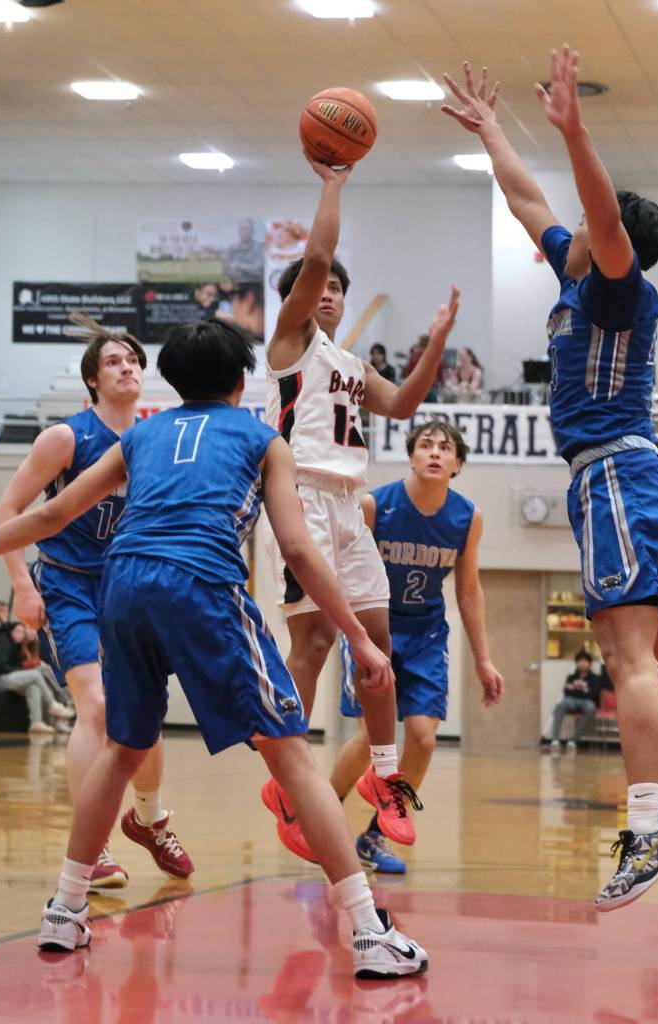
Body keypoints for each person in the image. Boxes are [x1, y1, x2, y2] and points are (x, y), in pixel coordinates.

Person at [0, 318, 429, 979]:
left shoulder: (140, 435)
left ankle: (64, 909)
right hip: (200, 585)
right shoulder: (264, 439)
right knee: (292, 757)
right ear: (239, 384)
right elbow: (296, 549)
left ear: (168, 380)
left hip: (123, 586)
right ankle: (370, 931)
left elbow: (51, 516)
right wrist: (357, 637)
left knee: (121, 751)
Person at [442, 48, 658, 914]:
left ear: (616, 244)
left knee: (631, 658)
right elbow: (529, 202)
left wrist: (575, 130)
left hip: (613, 480)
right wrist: (491, 131)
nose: (579, 234)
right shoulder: (572, 271)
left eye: (598, 233)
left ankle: (648, 825)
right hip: (643, 478)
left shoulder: (618, 292)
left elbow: (592, 211)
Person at [265, 150, 459, 861]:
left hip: (351, 507)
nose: (327, 293)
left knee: (378, 649)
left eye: (337, 289)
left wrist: (436, 340)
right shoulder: (289, 346)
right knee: (312, 644)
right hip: (304, 498)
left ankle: (383, 780)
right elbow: (315, 258)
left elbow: (405, 404)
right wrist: (331, 185)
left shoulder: (351, 366)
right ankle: (285, 774)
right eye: (318, 287)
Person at [0, 312, 185, 889]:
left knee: (143, 720)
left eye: (132, 360)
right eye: (113, 361)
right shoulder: (66, 438)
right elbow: (9, 512)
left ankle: (149, 818)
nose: (126, 367)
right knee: (97, 708)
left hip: (129, 588)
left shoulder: (154, 440)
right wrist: (22, 587)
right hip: (67, 585)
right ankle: (92, 848)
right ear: (93, 382)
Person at [331, 419, 504, 873]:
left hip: (427, 633)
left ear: (457, 464)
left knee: (424, 739)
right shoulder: (375, 505)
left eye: (445, 448)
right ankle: (318, 816)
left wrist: (484, 660)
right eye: (425, 445)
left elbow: (468, 591)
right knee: (372, 738)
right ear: (410, 456)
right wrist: (350, 631)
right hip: (375, 630)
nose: (434, 452)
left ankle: (374, 837)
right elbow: (345, 572)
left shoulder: (467, 517)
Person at [0, 621, 76, 735]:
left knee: (34, 686)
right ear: (10, 632)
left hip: (13, 677)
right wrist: (24, 669)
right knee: (37, 674)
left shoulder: (20, 645)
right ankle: (54, 704)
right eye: (17, 631)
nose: (20, 634)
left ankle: (36, 723)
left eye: (21, 631)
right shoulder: (3, 641)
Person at [548, 650, 601, 750]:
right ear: (576, 663)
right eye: (580, 661)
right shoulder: (571, 677)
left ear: (590, 663)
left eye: (585, 661)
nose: (582, 663)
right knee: (559, 706)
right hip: (571, 700)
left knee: (591, 708)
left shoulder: (595, 678)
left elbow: (593, 694)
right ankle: (555, 740)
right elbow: (566, 691)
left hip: (587, 702)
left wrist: (575, 689)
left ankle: (573, 740)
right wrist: (583, 691)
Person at [401, 335, 442, 402]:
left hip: (416, 388)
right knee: (433, 409)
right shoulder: (436, 356)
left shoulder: (414, 356)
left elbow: (407, 373)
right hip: (431, 387)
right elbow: (440, 375)